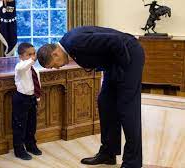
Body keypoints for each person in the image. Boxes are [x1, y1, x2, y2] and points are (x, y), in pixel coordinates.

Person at [37, 26, 145, 168]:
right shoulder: (69, 46)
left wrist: (123, 69)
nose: (56, 68)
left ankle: (133, 163)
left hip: (129, 55)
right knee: (105, 103)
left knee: (127, 109)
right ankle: (108, 153)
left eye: (53, 65)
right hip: (114, 61)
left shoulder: (75, 41)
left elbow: (117, 40)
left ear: (56, 54)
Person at [12, 43, 42, 160]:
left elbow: (37, 83)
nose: (32, 56)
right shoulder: (19, 67)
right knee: (20, 125)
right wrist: (33, 60)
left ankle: (31, 145)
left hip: (32, 99)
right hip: (21, 99)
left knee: (31, 124)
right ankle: (19, 149)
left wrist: (37, 98)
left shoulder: (34, 69)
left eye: (34, 53)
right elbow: (23, 67)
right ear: (20, 57)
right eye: (29, 54)